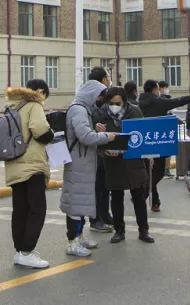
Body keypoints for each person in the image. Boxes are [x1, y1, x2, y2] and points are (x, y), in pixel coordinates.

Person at [61, 76, 118, 257]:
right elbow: (85, 136)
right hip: (78, 163)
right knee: (76, 204)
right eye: (99, 96)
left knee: (81, 202)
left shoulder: (84, 110)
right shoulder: (78, 110)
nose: (100, 100)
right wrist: (106, 137)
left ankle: (79, 237)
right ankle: (72, 242)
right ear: (92, 94)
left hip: (83, 162)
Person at [4, 79, 55, 269]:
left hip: (14, 164)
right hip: (32, 165)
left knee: (20, 210)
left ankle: (20, 252)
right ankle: (27, 251)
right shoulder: (33, 105)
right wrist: (52, 134)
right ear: (40, 91)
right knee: (37, 209)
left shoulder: (12, 106)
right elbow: (41, 131)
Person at [138, 79, 190, 212]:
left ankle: (154, 201)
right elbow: (180, 100)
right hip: (158, 142)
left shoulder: (137, 103)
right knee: (157, 172)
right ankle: (144, 193)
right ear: (154, 90)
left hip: (142, 143)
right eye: (158, 89)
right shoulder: (159, 102)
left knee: (149, 172)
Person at [99, 87, 153, 244]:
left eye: (118, 103)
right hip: (112, 162)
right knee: (116, 198)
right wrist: (104, 151)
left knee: (139, 197)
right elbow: (96, 140)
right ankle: (119, 231)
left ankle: (144, 230)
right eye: (111, 103)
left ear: (124, 101)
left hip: (133, 160)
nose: (114, 105)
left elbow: (143, 133)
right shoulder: (101, 114)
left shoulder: (134, 111)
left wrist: (148, 154)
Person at [85, 67, 115, 234]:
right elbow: (87, 121)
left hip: (106, 145)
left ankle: (104, 213)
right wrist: (94, 126)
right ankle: (95, 218)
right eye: (108, 77)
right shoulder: (92, 99)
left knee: (105, 185)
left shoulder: (106, 96)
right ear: (103, 80)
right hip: (95, 148)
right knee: (97, 187)